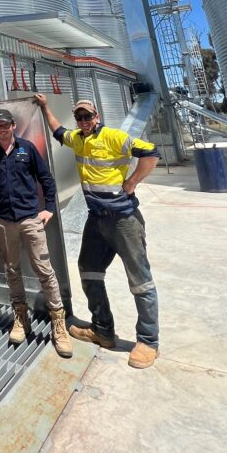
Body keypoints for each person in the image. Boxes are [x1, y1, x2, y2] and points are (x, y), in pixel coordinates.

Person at [34, 94, 160, 369]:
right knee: (88, 270)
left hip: (123, 219)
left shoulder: (115, 137)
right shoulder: (78, 138)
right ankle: (103, 331)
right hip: (96, 219)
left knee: (140, 280)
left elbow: (151, 153)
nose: (84, 121)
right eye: (79, 117)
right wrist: (44, 107)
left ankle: (148, 341)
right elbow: (57, 130)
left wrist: (133, 182)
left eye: (87, 116)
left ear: (97, 117)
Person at [0, 108, 72, 357]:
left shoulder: (26, 148)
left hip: (30, 219)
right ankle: (21, 317)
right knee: (11, 269)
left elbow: (46, 179)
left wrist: (49, 207)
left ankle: (58, 325)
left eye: (6, 125)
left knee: (44, 270)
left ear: (13, 126)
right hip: (4, 222)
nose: (2, 129)